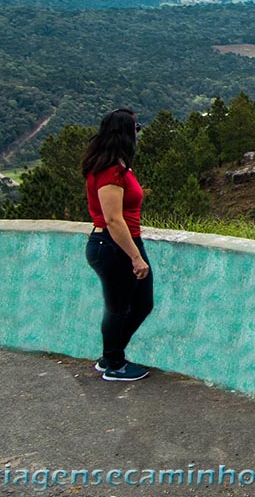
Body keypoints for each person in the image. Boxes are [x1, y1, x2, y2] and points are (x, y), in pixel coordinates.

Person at [82, 107, 153, 382]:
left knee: (140, 303)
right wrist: (135, 257)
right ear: (124, 132)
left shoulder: (117, 166)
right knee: (119, 307)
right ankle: (114, 363)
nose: (139, 132)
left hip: (121, 243)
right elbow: (113, 219)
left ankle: (112, 355)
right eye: (136, 128)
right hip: (113, 245)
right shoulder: (111, 171)